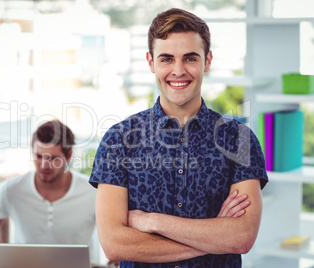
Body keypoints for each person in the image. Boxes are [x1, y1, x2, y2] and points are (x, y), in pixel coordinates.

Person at [89, 8, 268, 268]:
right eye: (166, 59)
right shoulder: (118, 140)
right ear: (151, 62)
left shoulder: (239, 139)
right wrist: (213, 237)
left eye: (190, 58)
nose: (178, 70)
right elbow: (114, 245)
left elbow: (241, 237)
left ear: (207, 61)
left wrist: (153, 222)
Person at [0, 120, 97, 261]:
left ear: (68, 155)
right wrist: (2, 262)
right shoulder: (10, 189)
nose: (44, 165)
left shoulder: (93, 192)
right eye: (39, 156)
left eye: (53, 158)